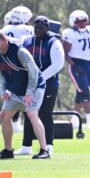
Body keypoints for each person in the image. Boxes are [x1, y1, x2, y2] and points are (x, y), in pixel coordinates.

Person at [14, 16, 65, 156]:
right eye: (36, 27)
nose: (38, 30)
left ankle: (49, 145)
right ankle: (26, 146)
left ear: (48, 28)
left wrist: (39, 78)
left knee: (45, 114)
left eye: (42, 28)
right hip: (30, 84)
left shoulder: (54, 42)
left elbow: (58, 64)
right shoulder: (27, 41)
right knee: (29, 113)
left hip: (49, 83)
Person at [0, 31, 49, 159]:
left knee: (32, 114)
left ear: (4, 41)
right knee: (4, 115)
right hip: (15, 89)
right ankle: (8, 150)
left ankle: (44, 151)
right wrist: (3, 90)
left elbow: (33, 73)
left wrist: (29, 92)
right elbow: (1, 75)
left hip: (34, 87)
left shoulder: (20, 52)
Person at [62, 10, 90, 128]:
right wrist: (73, 65)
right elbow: (65, 52)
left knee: (80, 92)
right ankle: (89, 119)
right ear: (74, 22)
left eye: (84, 20)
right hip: (76, 64)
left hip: (89, 64)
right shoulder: (70, 33)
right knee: (85, 91)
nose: (83, 23)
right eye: (79, 21)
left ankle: (75, 119)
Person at [3, 6, 34, 133]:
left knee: (12, 93)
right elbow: (30, 45)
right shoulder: (28, 29)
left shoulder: (5, 28)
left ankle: (15, 124)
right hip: (23, 63)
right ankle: (27, 125)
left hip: (7, 63)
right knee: (27, 94)